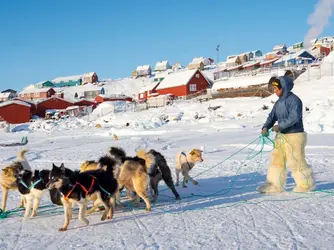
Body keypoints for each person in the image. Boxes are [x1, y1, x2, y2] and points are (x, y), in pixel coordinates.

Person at [257, 76, 315, 193]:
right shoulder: (278, 103)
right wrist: (265, 127)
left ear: (283, 87)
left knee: (296, 161)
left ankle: (305, 185)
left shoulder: (295, 100)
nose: (275, 91)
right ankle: (274, 185)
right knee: (276, 160)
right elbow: (272, 116)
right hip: (282, 136)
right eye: (273, 88)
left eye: (276, 88)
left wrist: (280, 126)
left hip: (295, 135)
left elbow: (294, 117)